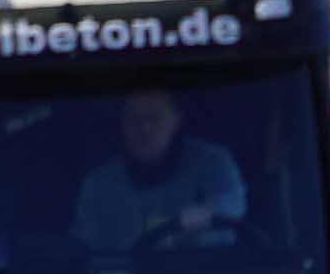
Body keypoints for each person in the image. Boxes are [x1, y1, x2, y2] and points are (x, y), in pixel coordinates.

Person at [74, 85, 248, 261]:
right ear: (121, 124)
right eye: (133, 119)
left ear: (176, 120)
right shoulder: (98, 186)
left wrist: (200, 217)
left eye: (154, 118)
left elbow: (232, 206)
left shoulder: (213, 163)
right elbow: (84, 250)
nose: (144, 129)